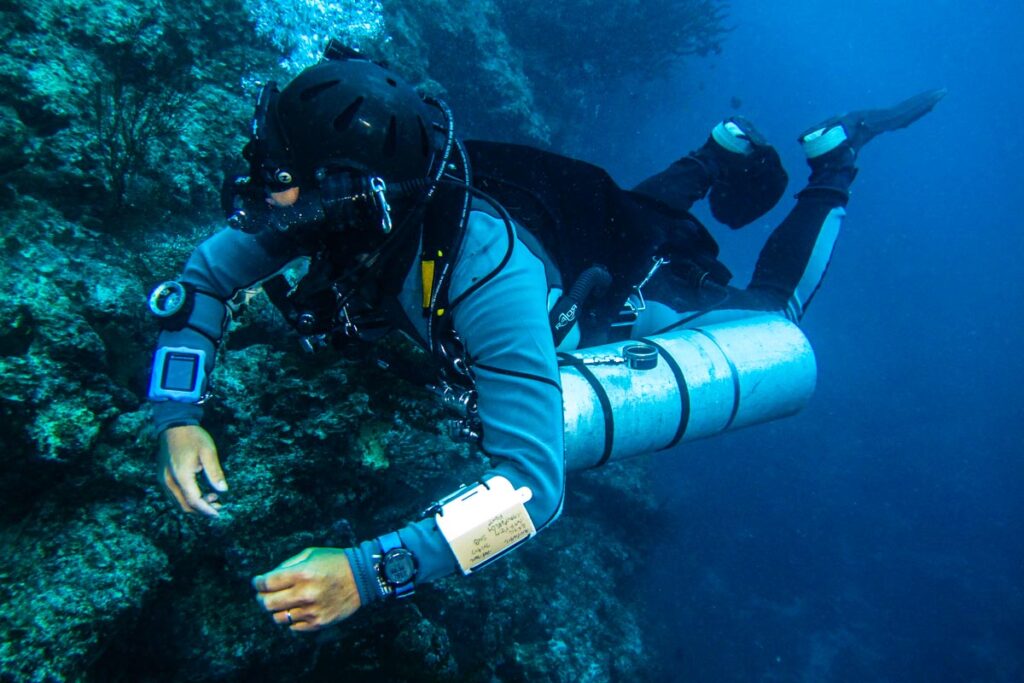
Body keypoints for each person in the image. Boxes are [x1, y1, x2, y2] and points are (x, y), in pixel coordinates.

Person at [147, 44, 944, 632]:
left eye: (279, 174)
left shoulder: (485, 282)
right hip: (581, 219)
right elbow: (205, 280)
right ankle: (716, 153)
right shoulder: (345, 202)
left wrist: (368, 572)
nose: (258, 186)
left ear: (345, 196)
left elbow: (533, 489)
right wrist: (177, 415)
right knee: (633, 214)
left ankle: (834, 163)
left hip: (622, 282)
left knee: (770, 314)